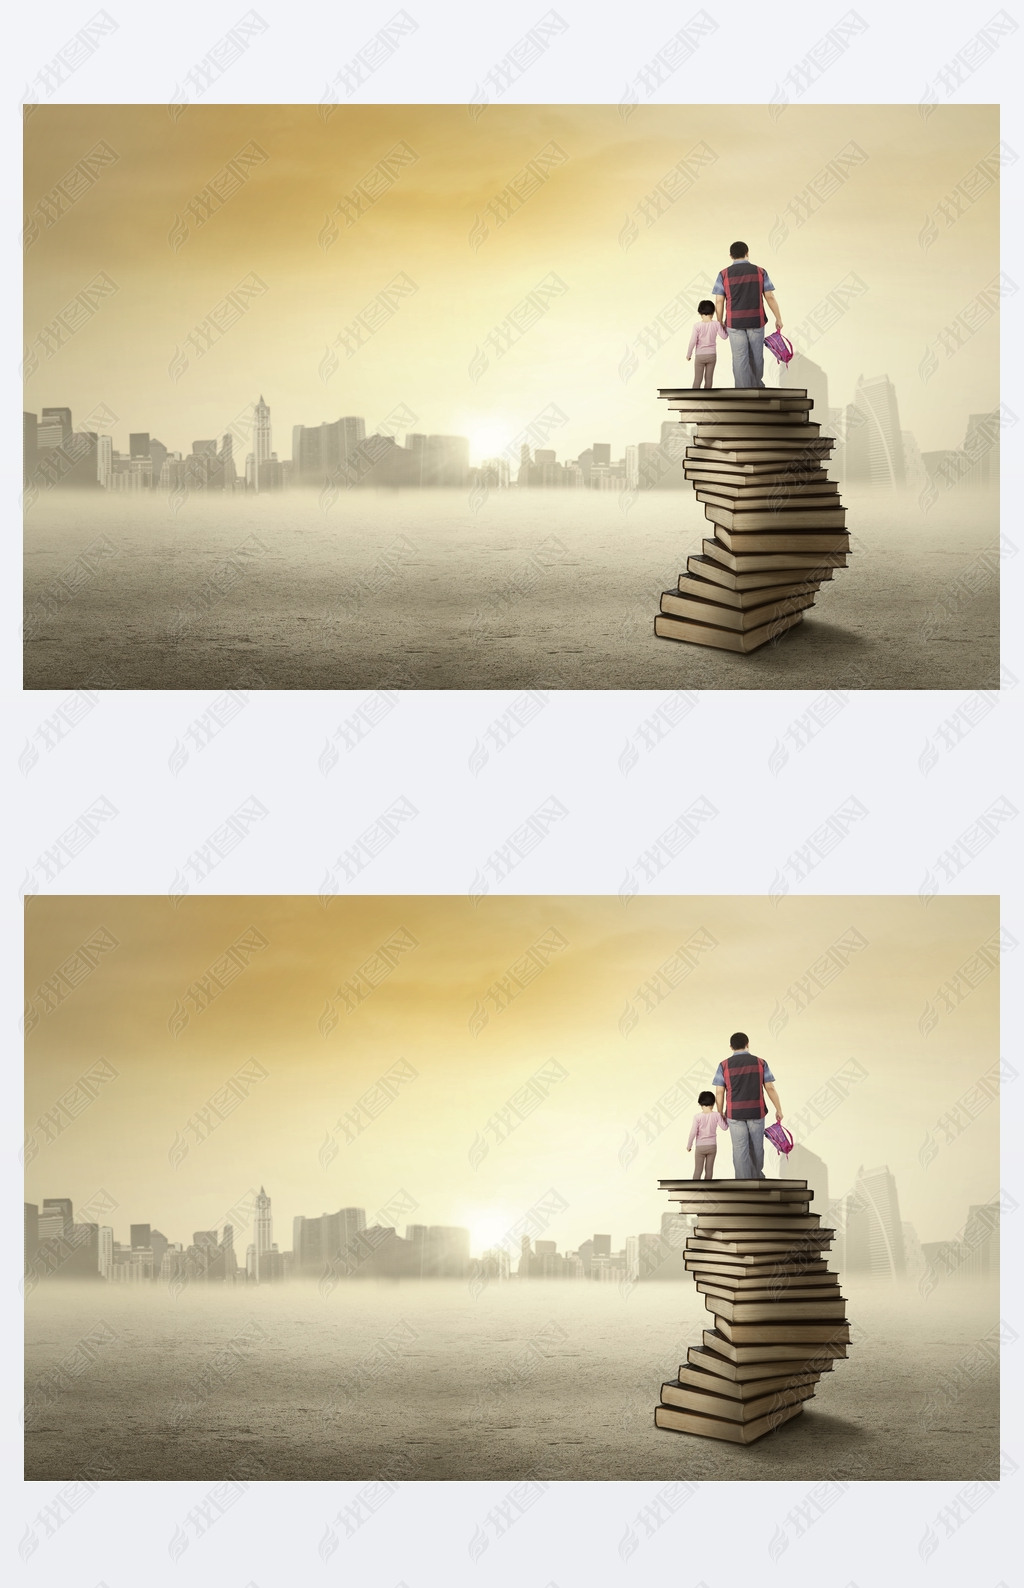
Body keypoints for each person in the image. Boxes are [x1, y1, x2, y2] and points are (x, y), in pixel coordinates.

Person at [712, 242, 784, 389]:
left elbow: (719, 300)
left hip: (734, 322)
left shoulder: (723, 274)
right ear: (747, 253)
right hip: (756, 320)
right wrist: (778, 318)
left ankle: (742, 392)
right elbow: (769, 296)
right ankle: (756, 387)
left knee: (739, 358)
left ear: (731, 256)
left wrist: (719, 321)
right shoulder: (760, 271)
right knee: (756, 357)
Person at [713, 1032, 783, 1179]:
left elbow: (719, 1092)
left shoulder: (723, 1065)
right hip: (756, 1111)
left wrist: (720, 1112)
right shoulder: (760, 1062)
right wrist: (778, 1109)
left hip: (734, 1113)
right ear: (748, 1044)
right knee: (756, 1148)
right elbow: (769, 1087)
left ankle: (742, 1183)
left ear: (731, 1047)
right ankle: (756, 1178)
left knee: (740, 1150)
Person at [687, 1089, 729, 1178]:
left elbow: (693, 1132)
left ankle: (694, 1189)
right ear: (713, 1103)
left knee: (698, 1170)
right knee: (709, 1170)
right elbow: (725, 1128)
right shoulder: (717, 1115)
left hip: (700, 1147)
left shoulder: (697, 1117)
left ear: (700, 1104)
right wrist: (725, 1117)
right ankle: (708, 1190)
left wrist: (689, 1146)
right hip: (712, 1146)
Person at [686, 300, 728, 389]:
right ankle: (707, 400)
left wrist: (689, 354)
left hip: (700, 356)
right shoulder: (716, 324)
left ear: (700, 312)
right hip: (712, 355)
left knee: (697, 379)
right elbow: (724, 337)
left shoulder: (697, 326)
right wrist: (725, 326)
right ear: (713, 312)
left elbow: (692, 341)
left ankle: (694, 399)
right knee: (709, 379)